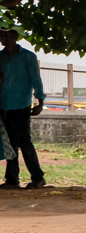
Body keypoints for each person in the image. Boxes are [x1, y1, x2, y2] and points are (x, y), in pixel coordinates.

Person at [0, 28, 47, 189]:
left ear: (14, 36)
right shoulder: (0, 58)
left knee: (24, 142)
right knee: (9, 144)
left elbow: (36, 79)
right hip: (4, 105)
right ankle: (12, 179)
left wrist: (40, 101)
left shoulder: (28, 57)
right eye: (1, 36)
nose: (3, 39)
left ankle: (37, 177)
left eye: (6, 35)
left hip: (22, 105)